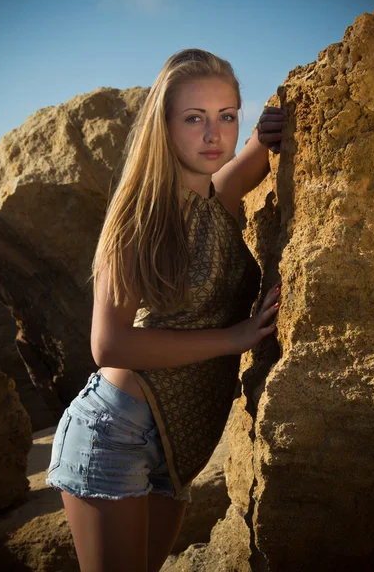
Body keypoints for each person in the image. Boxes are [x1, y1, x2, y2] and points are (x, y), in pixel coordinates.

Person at [46, 48, 285, 572]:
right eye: (194, 118)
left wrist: (272, 124)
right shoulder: (138, 217)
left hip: (175, 450)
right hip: (115, 434)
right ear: (164, 125)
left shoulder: (216, 198)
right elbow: (108, 345)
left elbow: (256, 152)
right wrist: (235, 338)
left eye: (226, 116)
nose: (212, 135)